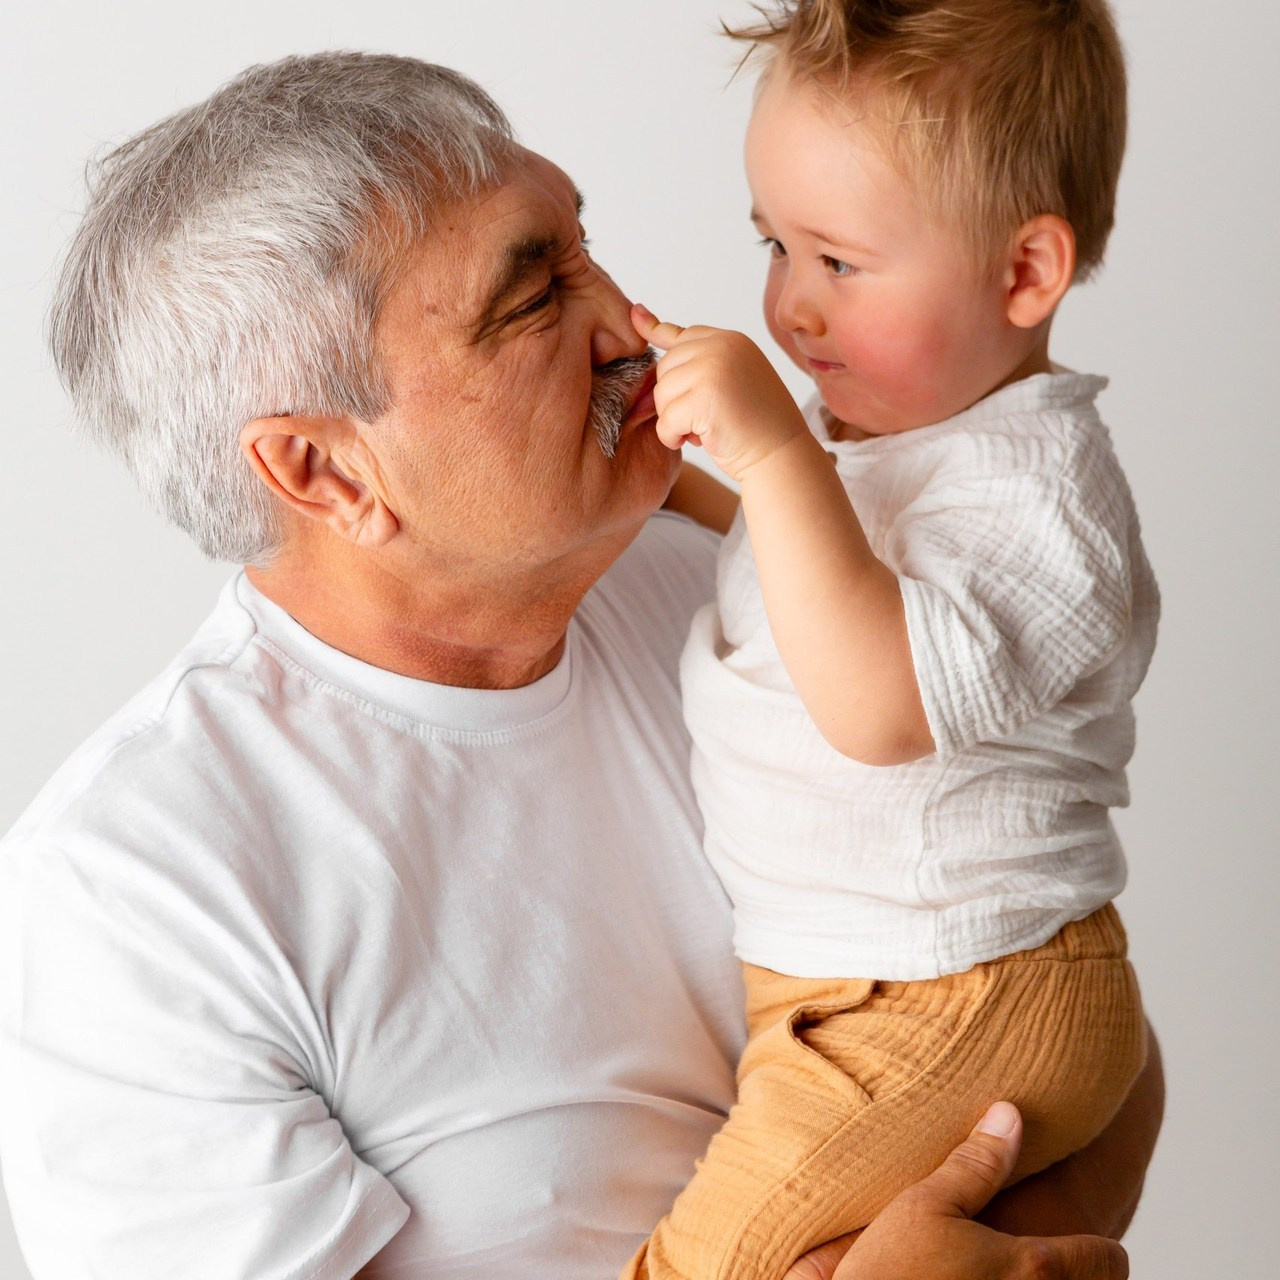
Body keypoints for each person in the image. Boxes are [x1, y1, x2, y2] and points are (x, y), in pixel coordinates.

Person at [0, 50, 1155, 1280]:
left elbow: (1085, 1038)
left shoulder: (747, 592)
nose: (629, 323)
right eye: (531, 301)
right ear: (322, 472)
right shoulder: (137, 895)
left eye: (579, 247)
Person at [620, 2, 1160, 1278]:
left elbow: (874, 702)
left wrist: (766, 445)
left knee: (701, 1268)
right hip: (871, 989)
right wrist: (670, 457)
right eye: (773, 245)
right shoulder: (881, 436)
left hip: (949, 988)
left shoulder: (1040, 495)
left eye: (838, 261)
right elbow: (793, 544)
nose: (791, 308)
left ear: (1022, 275)